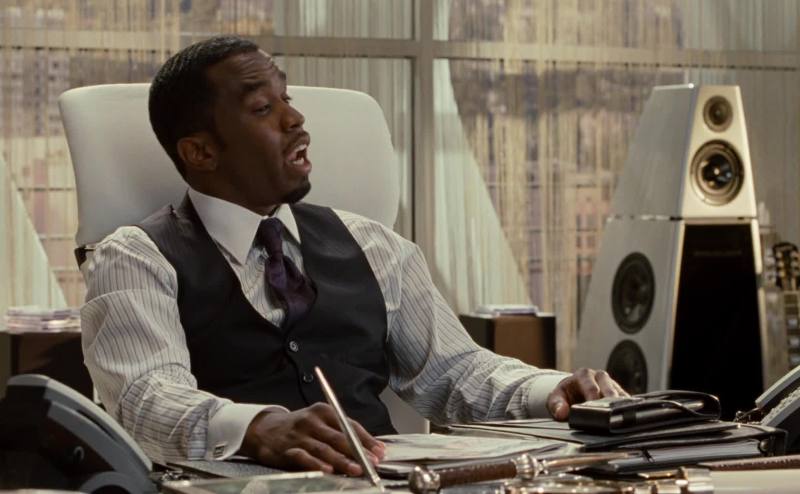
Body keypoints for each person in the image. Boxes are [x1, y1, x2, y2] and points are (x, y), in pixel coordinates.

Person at [81, 35, 626, 476]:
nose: (295, 119)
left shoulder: (376, 245)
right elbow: (145, 398)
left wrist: (550, 391)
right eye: (263, 108)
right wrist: (255, 427)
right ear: (200, 152)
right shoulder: (134, 257)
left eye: (287, 99)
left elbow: (455, 372)